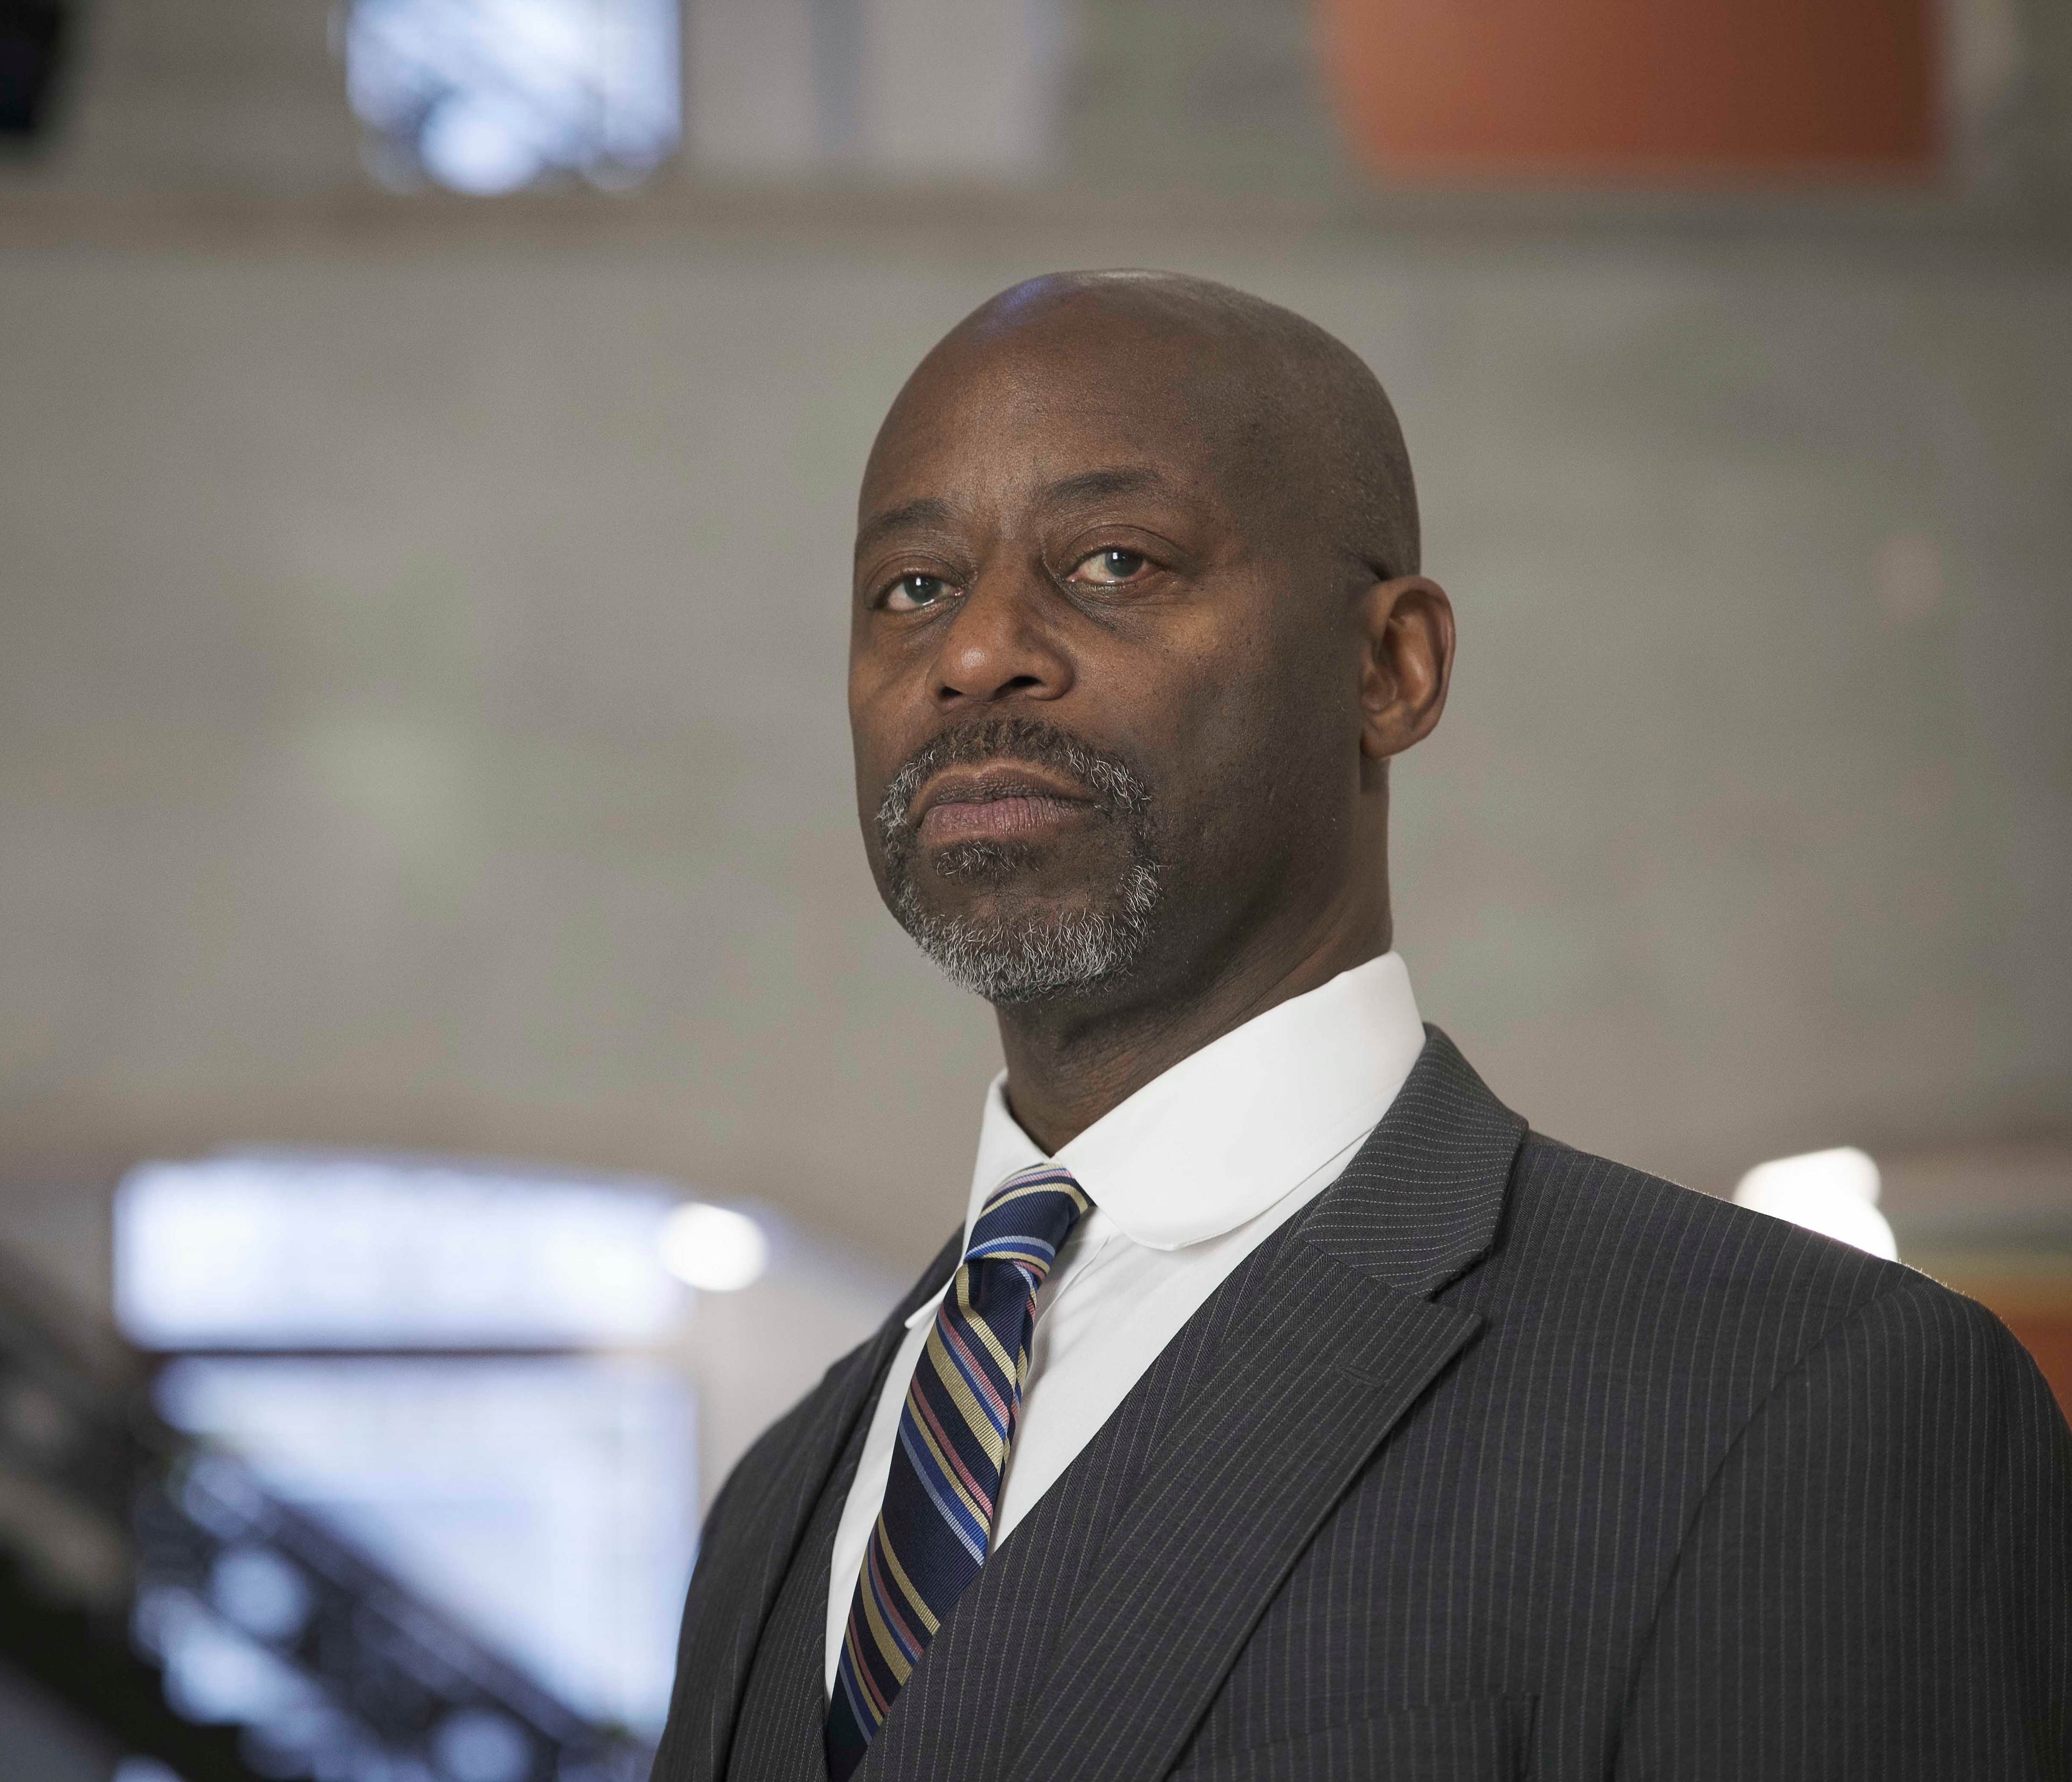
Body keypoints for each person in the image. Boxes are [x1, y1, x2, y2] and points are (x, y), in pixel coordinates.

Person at [651, 271, 2071, 1782]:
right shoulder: (782, 1494)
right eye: (913, 588)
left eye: (1115, 561)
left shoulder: (1808, 1401)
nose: (976, 649)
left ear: (1391, 668)